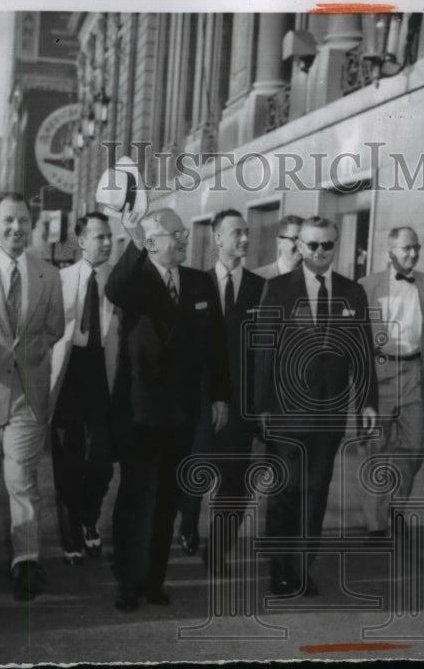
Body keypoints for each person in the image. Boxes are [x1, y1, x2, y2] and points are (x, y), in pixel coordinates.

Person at [105, 207, 229, 611]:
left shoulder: (199, 282)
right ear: (152, 241)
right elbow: (115, 290)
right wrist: (133, 242)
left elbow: (216, 344)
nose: (183, 239)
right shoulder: (136, 279)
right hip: (140, 410)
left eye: (183, 233)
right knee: (135, 498)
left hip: (182, 411)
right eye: (175, 234)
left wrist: (220, 395)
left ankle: (154, 581)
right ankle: (128, 581)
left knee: (167, 499)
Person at [254, 215, 378, 597]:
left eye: (327, 244)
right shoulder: (277, 289)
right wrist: (260, 406)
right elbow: (264, 351)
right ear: (299, 246)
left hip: (329, 413)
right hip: (286, 411)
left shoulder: (352, 292)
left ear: (335, 245)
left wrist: (367, 402)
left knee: (315, 491)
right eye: (312, 244)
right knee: (287, 489)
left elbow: (362, 353)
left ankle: (301, 569)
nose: (320, 252)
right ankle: (279, 567)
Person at [0, 193, 64, 601]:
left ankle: (27, 561)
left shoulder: (48, 275)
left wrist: (29, 360)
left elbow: (54, 329)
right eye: (8, 220)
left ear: (30, 224)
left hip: (28, 396)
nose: (16, 228)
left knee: (21, 480)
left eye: (22, 220)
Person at [190, 209, 266, 569]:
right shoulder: (195, 285)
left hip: (241, 404)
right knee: (191, 473)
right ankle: (188, 526)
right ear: (217, 237)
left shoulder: (260, 289)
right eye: (236, 232)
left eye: (247, 232)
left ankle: (218, 550)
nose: (245, 239)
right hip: (199, 401)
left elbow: (267, 351)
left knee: (234, 481)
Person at [358, 227, 424, 537]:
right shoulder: (367, 285)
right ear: (391, 250)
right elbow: (356, 340)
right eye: (406, 248)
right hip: (379, 374)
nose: (413, 253)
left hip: (415, 374)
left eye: (416, 247)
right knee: (375, 449)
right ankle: (376, 523)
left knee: (415, 446)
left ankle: (396, 507)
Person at [47, 212, 119, 566]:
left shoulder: (119, 282)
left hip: (103, 376)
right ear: (81, 241)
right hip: (67, 377)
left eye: (109, 236)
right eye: (99, 236)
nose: (106, 243)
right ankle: (72, 533)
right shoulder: (58, 280)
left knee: (102, 463)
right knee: (67, 462)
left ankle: (89, 517)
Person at [252, 214, 303, 279]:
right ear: (279, 241)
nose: (301, 245)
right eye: (295, 239)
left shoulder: (313, 278)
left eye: (304, 240)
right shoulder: (256, 277)